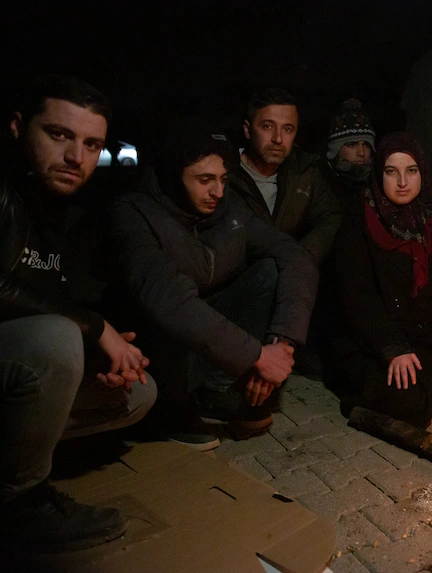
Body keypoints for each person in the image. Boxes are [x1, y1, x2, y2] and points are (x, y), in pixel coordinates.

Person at [0, 74, 156, 552]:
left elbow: (48, 295)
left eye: (92, 144)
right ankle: (16, 506)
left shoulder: (57, 204)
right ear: (17, 128)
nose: (76, 157)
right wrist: (92, 328)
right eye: (59, 135)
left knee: (137, 391)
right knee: (57, 341)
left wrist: (96, 353)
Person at [107, 118, 318, 447]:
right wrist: (256, 357)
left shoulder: (230, 208)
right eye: (205, 180)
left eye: (222, 179)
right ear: (175, 176)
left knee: (268, 272)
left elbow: (296, 257)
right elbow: (168, 299)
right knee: (173, 307)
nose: (218, 191)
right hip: (153, 346)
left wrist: (283, 345)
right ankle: (171, 408)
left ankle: (214, 391)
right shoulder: (134, 213)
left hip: (212, 339)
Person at [325, 132, 432, 429]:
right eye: (392, 172)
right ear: (380, 174)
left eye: (411, 171)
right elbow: (357, 296)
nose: (402, 182)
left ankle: (418, 378)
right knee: (407, 401)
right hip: (369, 341)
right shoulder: (359, 219)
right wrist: (392, 348)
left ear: (423, 173)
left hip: (420, 336)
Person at [228, 88, 342, 266]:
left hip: (294, 279)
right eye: (267, 126)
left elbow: (331, 218)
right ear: (248, 130)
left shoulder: (304, 172)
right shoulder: (224, 175)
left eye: (287, 129)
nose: (278, 138)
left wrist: (302, 255)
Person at [322, 98, 375, 202]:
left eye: (366, 145)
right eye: (351, 145)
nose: (361, 153)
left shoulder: (378, 185)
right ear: (335, 149)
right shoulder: (319, 184)